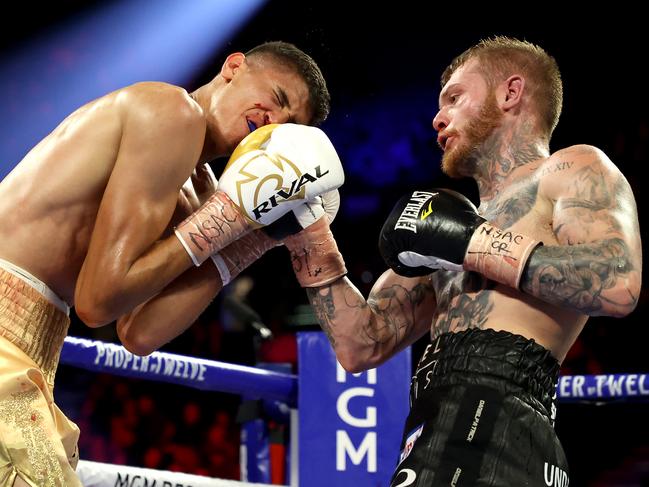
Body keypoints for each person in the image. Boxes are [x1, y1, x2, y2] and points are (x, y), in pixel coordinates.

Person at [285, 36, 642, 485]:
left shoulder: (571, 170)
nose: (438, 117)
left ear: (510, 93)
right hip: (430, 427)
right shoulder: (446, 220)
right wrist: (305, 231)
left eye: (455, 98)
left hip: (500, 424)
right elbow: (361, 343)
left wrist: (473, 242)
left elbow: (617, 282)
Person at [0, 40, 344, 486]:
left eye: (289, 125)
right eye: (276, 100)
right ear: (233, 67)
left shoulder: (200, 191)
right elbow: (97, 302)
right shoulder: (170, 111)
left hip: (31, 352)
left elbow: (140, 333)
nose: (273, 123)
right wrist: (224, 221)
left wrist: (250, 240)